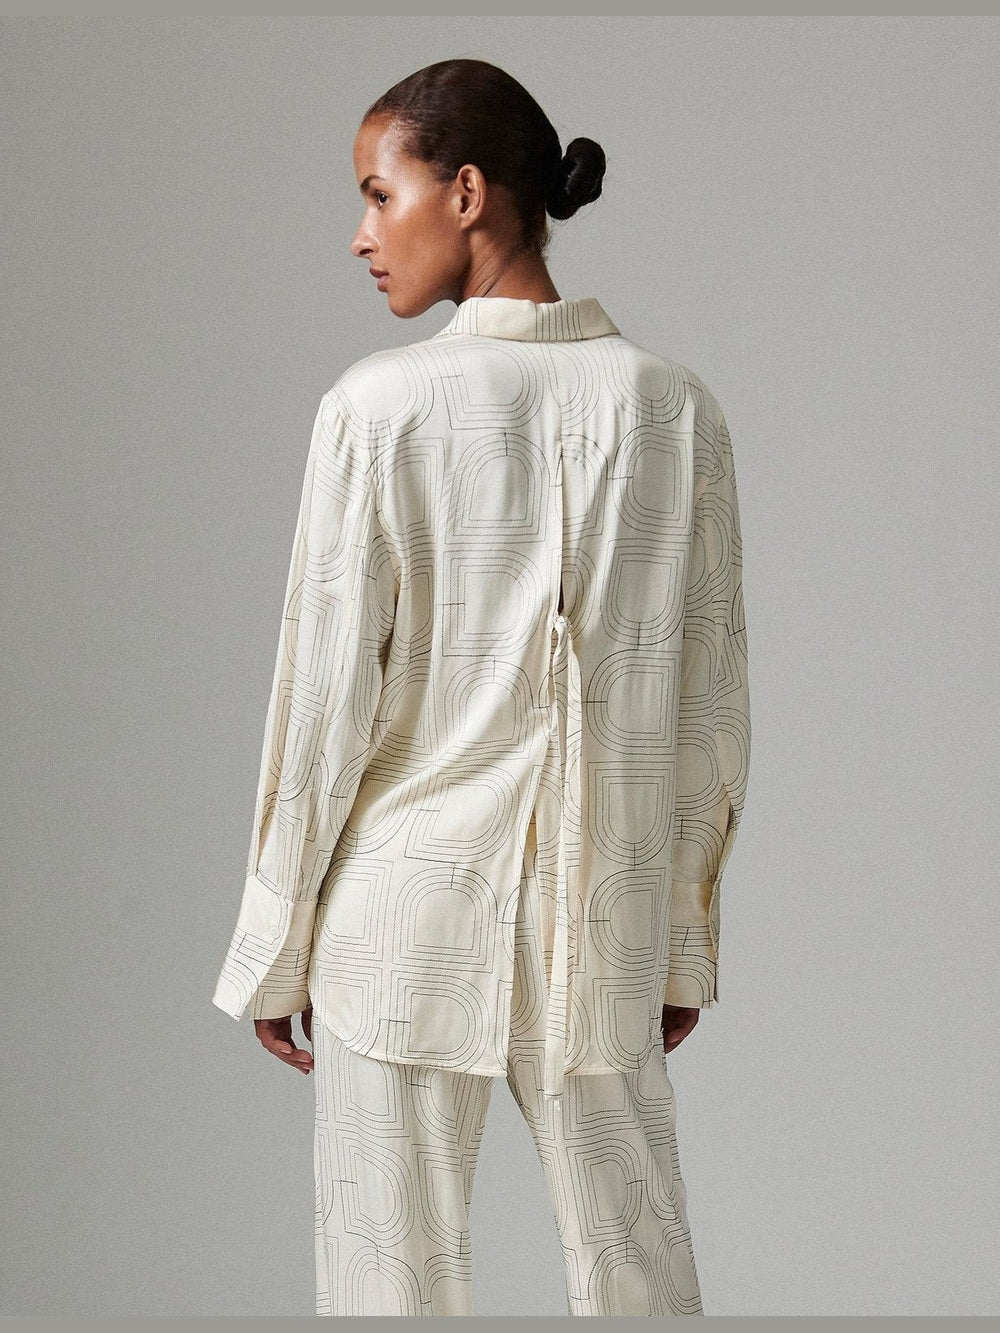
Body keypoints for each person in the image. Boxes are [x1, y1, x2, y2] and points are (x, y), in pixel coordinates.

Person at [212, 57, 750, 1317]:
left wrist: (275, 949)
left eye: (375, 193)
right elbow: (707, 709)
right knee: (640, 1281)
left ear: (463, 193)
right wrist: (677, 941)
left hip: (396, 924)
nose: (360, 236)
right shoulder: (675, 412)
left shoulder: (376, 410)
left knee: (386, 1292)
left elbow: (322, 709)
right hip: (601, 918)